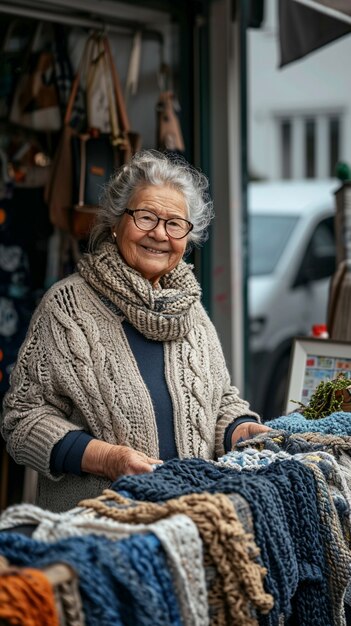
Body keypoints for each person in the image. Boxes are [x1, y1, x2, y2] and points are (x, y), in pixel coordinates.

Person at [1, 150, 270, 512]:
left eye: (175, 224)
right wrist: (108, 459)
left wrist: (240, 431)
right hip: (96, 531)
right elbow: (21, 420)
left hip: (190, 525)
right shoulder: (66, 307)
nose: (159, 233)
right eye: (146, 217)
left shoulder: (191, 311)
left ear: (187, 239)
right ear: (116, 222)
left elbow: (220, 402)